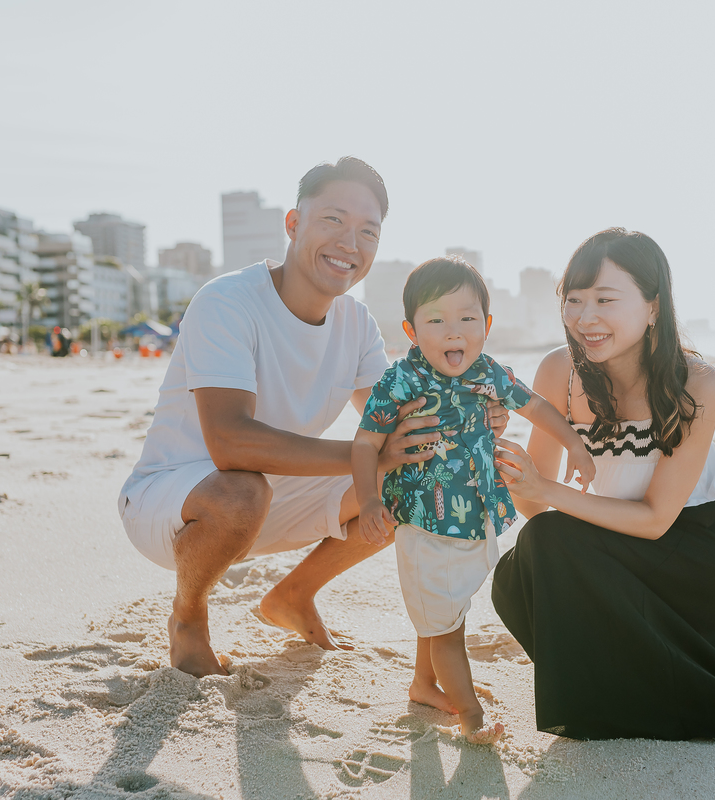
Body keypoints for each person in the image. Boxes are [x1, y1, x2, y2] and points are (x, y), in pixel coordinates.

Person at [118, 157, 508, 678]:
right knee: (243, 489)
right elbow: (230, 445)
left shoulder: (356, 322)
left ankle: (293, 595)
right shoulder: (227, 301)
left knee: (413, 474)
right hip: (175, 501)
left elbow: (402, 424)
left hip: (274, 495)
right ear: (293, 224)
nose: (350, 242)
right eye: (333, 220)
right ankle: (188, 619)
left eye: (367, 231)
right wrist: (368, 454)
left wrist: (476, 416)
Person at [491, 228, 715, 741]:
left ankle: (626, 699)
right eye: (574, 301)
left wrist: (549, 495)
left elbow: (657, 519)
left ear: (653, 306)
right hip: (618, 537)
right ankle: (615, 696)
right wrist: (506, 461)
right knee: (519, 570)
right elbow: (534, 506)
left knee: (548, 542)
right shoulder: (557, 372)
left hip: (702, 548)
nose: (586, 318)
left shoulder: (696, 383)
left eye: (606, 299)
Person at [351, 257, 595, 743]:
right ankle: (471, 715)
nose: (452, 331)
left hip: (476, 516)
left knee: (445, 611)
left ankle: (423, 685)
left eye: (466, 318)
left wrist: (573, 443)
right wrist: (368, 500)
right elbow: (364, 443)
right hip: (425, 524)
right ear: (411, 329)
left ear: (485, 325)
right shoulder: (401, 381)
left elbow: (537, 405)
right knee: (447, 630)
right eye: (435, 320)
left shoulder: (489, 374)